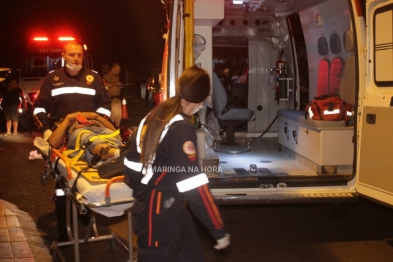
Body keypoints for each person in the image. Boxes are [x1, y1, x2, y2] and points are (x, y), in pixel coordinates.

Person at [124, 66, 230, 261]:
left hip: (161, 205)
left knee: (192, 255)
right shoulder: (181, 127)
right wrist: (217, 227)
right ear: (202, 99)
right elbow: (193, 184)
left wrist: (143, 192)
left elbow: (131, 162)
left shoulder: (154, 115)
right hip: (160, 213)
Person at [33, 40, 112, 241]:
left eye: (79, 55)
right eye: (71, 55)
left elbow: (105, 107)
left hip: (89, 135)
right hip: (63, 138)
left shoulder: (93, 78)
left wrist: (98, 124)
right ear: (63, 55)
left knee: (88, 178)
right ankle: (63, 230)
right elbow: (39, 108)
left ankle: (86, 218)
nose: (76, 58)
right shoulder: (53, 79)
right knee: (62, 186)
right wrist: (47, 132)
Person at [48, 111, 124, 166]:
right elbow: (53, 142)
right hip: (79, 130)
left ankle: (122, 153)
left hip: (100, 127)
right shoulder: (64, 119)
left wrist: (96, 117)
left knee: (115, 140)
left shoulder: (97, 115)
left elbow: (116, 133)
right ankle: (119, 154)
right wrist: (68, 118)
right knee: (92, 141)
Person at [103, 63, 124, 127]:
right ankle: (110, 127)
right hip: (111, 98)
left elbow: (122, 86)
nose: (118, 72)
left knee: (119, 115)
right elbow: (105, 85)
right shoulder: (107, 76)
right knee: (113, 114)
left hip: (117, 98)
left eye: (119, 71)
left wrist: (120, 85)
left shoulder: (117, 76)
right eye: (117, 70)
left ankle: (117, 127)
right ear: (113, 69)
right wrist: (115, 83)